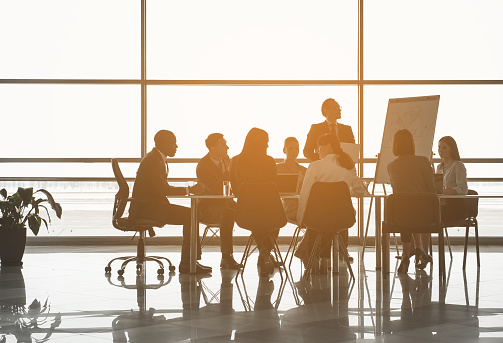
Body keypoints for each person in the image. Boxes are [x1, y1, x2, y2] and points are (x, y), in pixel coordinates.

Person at [131, 130, 211, 274]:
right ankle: (189, 263)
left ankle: (190, 261)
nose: (176, 146)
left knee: (191, 215)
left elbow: (160, 189)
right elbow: (162, 189)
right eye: (173, 143)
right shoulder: (153, 160)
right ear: (163, 144)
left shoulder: (156, 158)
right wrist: (189, 189)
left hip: (150, 206)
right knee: (191, 216)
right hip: (148, 208)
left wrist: (188, 190)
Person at [296, 133, 367, 271]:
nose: (318, 152)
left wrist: (301, 217)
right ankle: (325, 259)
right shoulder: (348, 165)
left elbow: (305, 193)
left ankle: (315, 260)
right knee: (330, 221)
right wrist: (345, 191)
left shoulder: (315, 166)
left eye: (318, 148)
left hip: (318, 217)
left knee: (317, 221)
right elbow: (360, 191)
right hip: (341, 217)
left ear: (327, 146)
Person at [229, 127, 279, 275]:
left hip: (245, 213)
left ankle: (264, 253)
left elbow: (236, 190)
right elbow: (274, 188)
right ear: (260, 143)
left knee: (258, 222)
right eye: (266, 142)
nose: (268, 146)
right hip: (269, 212)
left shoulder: (235, 161)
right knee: (273, 222)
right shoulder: (269, 161)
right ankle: (264, 253)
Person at [387, 129, 436, 273]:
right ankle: (421, 252)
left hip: (400, 216)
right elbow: (431, 189)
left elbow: (398, 191)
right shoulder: (423, 161)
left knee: (407, 212)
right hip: (423, 214)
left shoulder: (391, 165)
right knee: (419, 210)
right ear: (412, 144)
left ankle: (406, 255)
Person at [196, 133, 242, 270]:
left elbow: (234, 183)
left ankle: (265, 253)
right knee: (228, 214)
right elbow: (215, 190)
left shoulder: (226, 161)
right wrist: (228, 171)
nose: (227, 147)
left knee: (251, 208)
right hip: (208, 206)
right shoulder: (203, 165)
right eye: (223, 144)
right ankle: (226, 257)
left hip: (225, 203)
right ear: (213, 148)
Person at [303, 98, 355, 162]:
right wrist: (321, 162)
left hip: (342, 168)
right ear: (326, 110)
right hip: (323, 169)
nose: (339, 110)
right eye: (336, 108)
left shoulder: (347, 129)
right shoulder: (316, 129)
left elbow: (353, 151)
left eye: (339, 107)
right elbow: (307, 151)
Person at [436, 136, 468, 221]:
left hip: (454, 207)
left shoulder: (458, 165)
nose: (440, 150)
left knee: (425, 214)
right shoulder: (439, 167)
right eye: (439, 147)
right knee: (421, 212)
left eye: (444, 148)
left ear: (452, 149)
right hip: (442, 205)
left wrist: (445, 192)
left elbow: (463, 189)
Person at [276, 137, 307, 223]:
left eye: (296, 148)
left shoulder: (304, 170)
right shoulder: (277, 168)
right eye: (290, 148)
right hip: (288, 208)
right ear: (284, 150)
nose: (294, 151)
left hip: (305, 206)